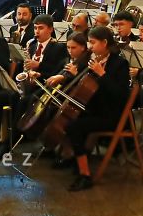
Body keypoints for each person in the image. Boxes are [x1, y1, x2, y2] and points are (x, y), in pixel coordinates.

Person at [56, 26, 130, 191]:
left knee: (74, 127)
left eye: (92, 42)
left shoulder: (119, 64)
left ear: (104, 43)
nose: (89, 46)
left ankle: (85, 174)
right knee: (67, 119)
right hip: (94, 109)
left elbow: (119, 95)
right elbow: (87, 87)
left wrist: (102, 74)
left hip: (110, 115)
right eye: (89, 42)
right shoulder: (91, 59)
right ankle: (77, 157)